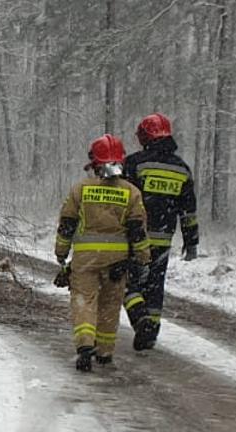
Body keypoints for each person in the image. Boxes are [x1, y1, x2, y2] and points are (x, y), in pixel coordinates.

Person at [53, 134, 152, 372]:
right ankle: (105, 353)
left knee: (84, 302)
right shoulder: (132, 192)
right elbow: (138, 231)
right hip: (117, 262)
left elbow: (67, 224)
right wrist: (143, 258)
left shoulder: (80, 190)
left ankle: (85, 346)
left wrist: (61, 252)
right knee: (110, 305)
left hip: (85, 259)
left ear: (94, 162)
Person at [122, 113, 200, 351]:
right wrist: (191, 241)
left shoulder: (135, 163)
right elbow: (189, 211)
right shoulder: (182, 169)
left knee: (129, 283)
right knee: (155, 285)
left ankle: (140, 320)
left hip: (136, 238)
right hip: (164, 240)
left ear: (144, 136)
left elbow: (124, 200)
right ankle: (152, 331)